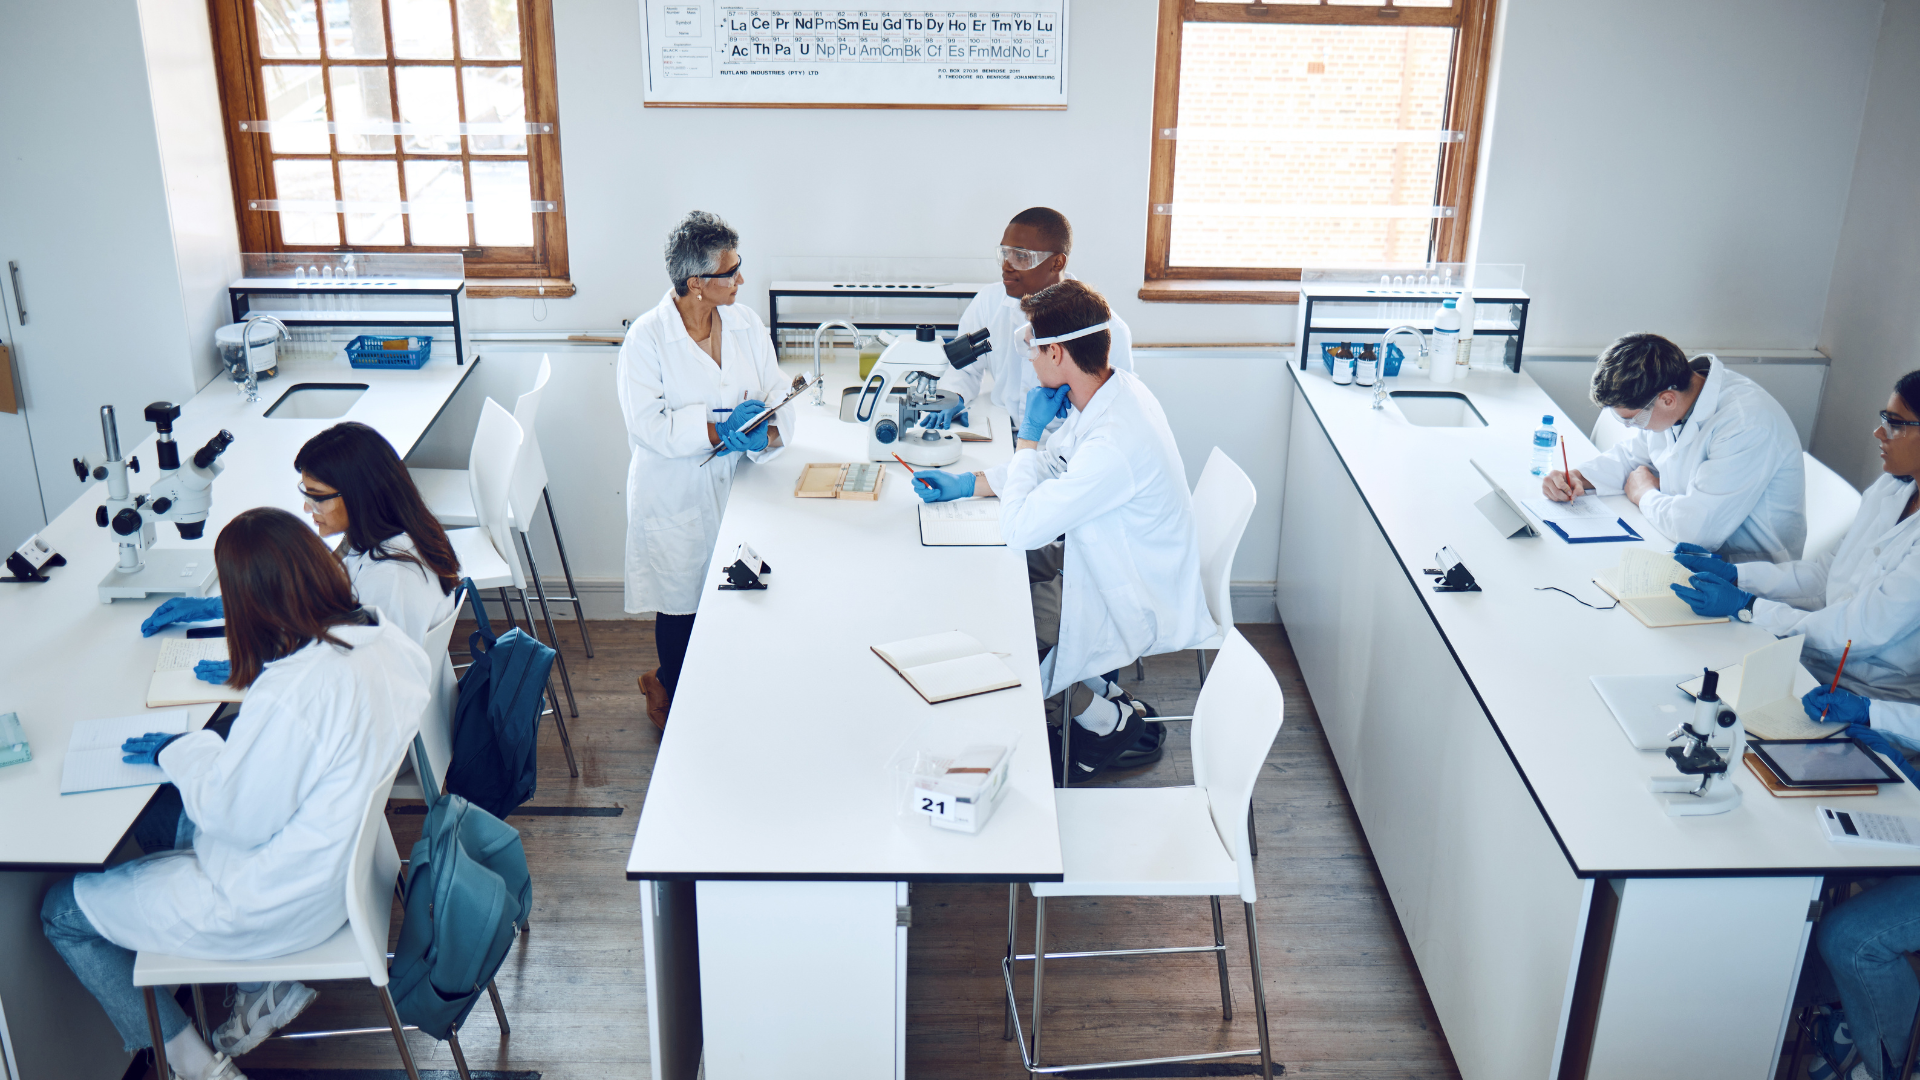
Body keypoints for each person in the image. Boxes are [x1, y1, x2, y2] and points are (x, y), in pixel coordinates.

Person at [43, 507, 431, 1080]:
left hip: (272, 901)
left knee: (60, 912)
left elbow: (234, 817)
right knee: (160, 817)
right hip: (339, 875)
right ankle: (258, 984)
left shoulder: (292, 692)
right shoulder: (383, 639)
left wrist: (181, 750)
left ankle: (197, 1067)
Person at [911, 280, 1211, 780]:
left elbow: (1021, 528)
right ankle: (1095, 697)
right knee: (995, 585)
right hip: (1106, 554)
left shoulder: (1113, 442)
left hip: (1132, 589)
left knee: (1001, 622)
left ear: (1056, 352)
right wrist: (971, 481)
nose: (1027, 359)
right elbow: (1055, 465)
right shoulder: (1113, 392)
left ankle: (1102, 721)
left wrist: (1026, 436)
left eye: (1031, 346)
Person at [618, 211, 797, 730]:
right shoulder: (647, 340)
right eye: (731, 270)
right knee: (681, 603)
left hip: (739, 485)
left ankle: (727, 689)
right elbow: (647, 426)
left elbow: (776, 389)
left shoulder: (744, 323)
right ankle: (668, 686)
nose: (741, 278)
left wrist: (768, 426)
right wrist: (718, 431)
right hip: (675, 492)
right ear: (696, 283)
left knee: (743, 589)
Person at [1671, 372, 1920, 725]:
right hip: (1812, 665)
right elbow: (1825, 576)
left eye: (1895, 424)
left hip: (1863, 700)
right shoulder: (1889, 489)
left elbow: (1857, 632)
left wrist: (1751, 607)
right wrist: (1739, 575)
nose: (1879, 433)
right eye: (1884, 419)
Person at [141, 422, 461, 679]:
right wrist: (229, 603)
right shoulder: (385, 535)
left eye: (317, 496)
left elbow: (370, 675)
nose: (308, 508)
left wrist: (270, 670)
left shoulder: (391, 575)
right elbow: (326, 594)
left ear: (359, 494)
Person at [1542, 333, 1805, 563]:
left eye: (1634, 419)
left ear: (1667, 399)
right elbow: (1633, 456)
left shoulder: (1745, 424)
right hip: (1673, 542)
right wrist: (1578, 477)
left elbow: (1696, 532)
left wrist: (1644, 493)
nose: (1630, 426)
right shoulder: (1679, 397)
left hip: (1742, 573)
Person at [923, 207, 1134, 429]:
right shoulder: (988, 301)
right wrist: (954, 396)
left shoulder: (1105, 330)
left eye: (1021, 257)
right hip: (1001, 429)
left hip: (1064, 446)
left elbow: (1111, 411)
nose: (1006, 266)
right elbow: (964, 368)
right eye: (1005, 254)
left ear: (1057, 263)